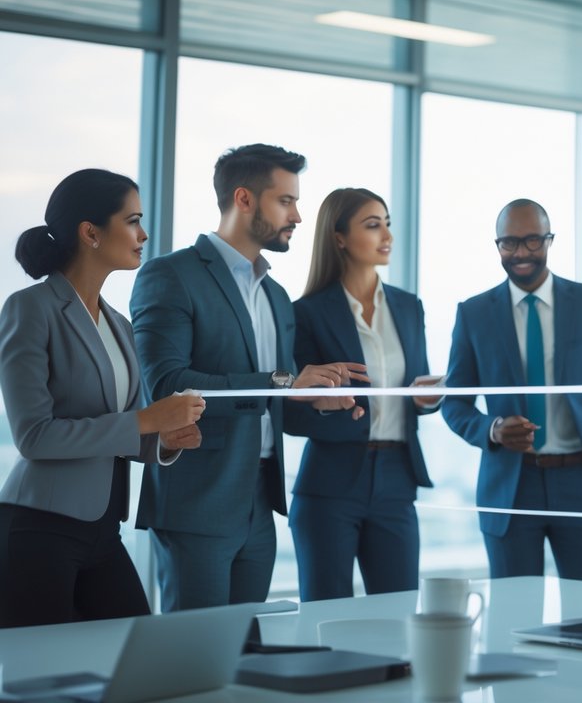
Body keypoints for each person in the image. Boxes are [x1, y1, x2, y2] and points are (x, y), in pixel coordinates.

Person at [131, 144, 367, 611]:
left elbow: (273, 399)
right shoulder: (171, 275)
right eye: (286, 201)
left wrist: (315, 402)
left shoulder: (276, 295)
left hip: (261, 503)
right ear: (243, 199)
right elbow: (167, 386)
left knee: (243, 643)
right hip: (197, 501)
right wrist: (286, 383)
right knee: (196, 646)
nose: (297, 216)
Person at [0, 169, 204, 627]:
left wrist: (163, 440)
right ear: (90, 233)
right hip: (39, 527)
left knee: (137, 651)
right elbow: (34, 437)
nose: (143, 234)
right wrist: (147, 421)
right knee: (42, 667)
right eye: (132, 221)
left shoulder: (119, 325)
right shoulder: (29, 308)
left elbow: (120, 428)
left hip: (103, 530)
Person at [442, 199, 582, 581]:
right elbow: (455, 403)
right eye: (509, 243)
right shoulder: (474, 313)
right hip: (511, 485)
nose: (521, 253)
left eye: (533, 241)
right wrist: (492, 430)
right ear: (497, 244)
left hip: (581, 478)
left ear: (550, 240)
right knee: (513, 610)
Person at [286, 188, 444, 600]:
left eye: (387, 224)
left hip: (397, 478)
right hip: (330, 483)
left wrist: (427, 399)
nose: (387, 235)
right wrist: (324, 405)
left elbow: (418, 388)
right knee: (326, 615)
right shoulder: (307, 313)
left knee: (399, 611)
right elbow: (289, 413)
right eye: (373, 225)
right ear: (339, 237)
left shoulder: (409, 307)